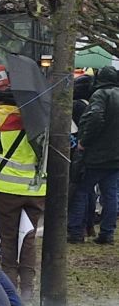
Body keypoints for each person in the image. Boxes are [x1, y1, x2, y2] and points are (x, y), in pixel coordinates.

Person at [0, 88, 45, 300]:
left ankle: (10, 290)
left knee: (9, 240)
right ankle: (27, 290)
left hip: (7, 190)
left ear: (0, 102)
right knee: (28, 238)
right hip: (35, 190)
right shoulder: (40, 122)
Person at [70, 66, 119, 245]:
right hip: (115, 156)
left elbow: (96, 117)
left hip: (96, 155)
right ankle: (107, 233)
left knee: (81, 191)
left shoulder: (100, 95)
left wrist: (85, 141)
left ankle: (76, 232)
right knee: (110, 195)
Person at [69, 74, 97, 239]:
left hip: (77, 152)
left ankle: (76, 229)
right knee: (90, 190)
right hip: (92, 152)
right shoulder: (93, 105)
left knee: (78, 190)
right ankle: (89, 225)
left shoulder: (75, 106)